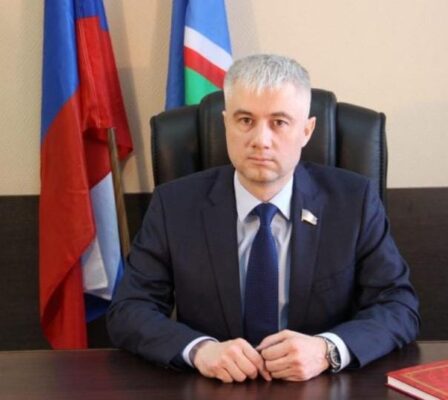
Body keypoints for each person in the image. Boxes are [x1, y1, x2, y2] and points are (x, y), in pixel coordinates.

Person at [107, 54, 420, 383]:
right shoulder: (174, 205)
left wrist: (326, 349)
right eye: (245, 120)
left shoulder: (353, 202)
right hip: (213, 385)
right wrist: (199, 350)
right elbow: (129, 309)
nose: (260, 140)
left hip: (319, 385)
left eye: (279, 122)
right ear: (226, 124)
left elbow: (399, 306)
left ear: (307, 131)